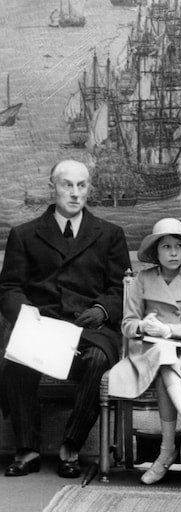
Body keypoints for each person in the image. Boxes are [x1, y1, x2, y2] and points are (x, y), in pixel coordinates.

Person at [0, 159, 129, 479]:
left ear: (89, 189)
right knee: (15, 361)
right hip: (42, 326)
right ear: (52, 187)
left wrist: (102, 310)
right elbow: (9, 288)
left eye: (81, 185)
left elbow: (121, 288)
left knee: (99, 358)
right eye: (66, 185)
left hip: (91, 330)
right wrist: (27, 315)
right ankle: (27, 449)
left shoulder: (110, 235)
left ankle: (70, 447)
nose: (74, 193)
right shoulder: (25, 235)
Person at [108, 218, 181, 485]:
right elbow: (127, 325)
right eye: (166, 246)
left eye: (178, 246)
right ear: (156, 251)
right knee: (164, 355)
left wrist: (166, 331)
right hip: (145, 350)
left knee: (168, 359)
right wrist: (143, 325)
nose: (174, 253)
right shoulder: (141, 280)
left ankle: (166, 452)